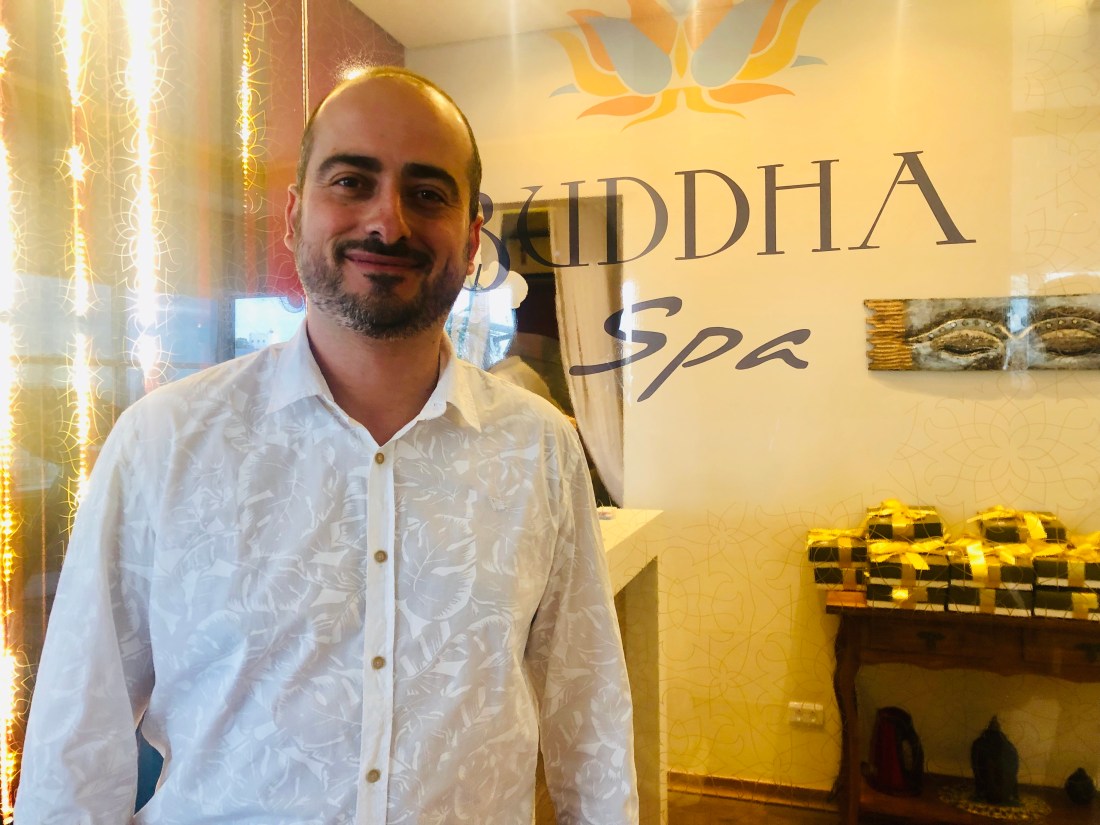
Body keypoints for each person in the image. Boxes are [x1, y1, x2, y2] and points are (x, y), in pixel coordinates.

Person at [16, 67, 638, 824]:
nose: (388, 222)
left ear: (472, 236)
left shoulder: (538, 448)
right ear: (294, 214)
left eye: (428, 193)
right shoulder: (164, 441)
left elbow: (589, 716)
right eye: (351, 182)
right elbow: (79, 740)